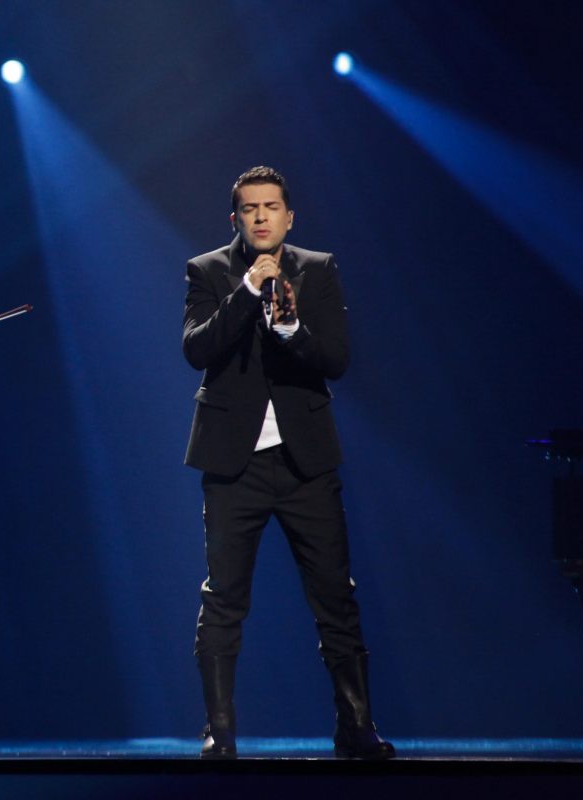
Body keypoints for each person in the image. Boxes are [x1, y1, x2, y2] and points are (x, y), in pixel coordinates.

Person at [182, 167, 394, 760]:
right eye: (250, 208)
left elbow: (336, 360)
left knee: (335, 594)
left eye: (271, 206)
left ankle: (356, 727)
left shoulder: (318, 269)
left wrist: (294, 329)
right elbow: (196, 348)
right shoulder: (208, 270)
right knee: (224, 598)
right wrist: (247, 293)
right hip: (234, 463)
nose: (261, 217)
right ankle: (219, 732)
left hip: (306, 463)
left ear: (289, 216)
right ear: (235, 219)